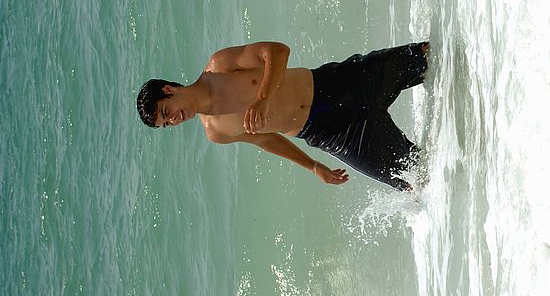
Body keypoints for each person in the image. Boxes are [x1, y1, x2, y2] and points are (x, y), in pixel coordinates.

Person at [136, 41, 429, 191]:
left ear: (169, 89)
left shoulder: (219, 66)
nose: (174, 120)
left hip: (334, 86)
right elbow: (266, 140)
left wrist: (262, 98)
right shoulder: (216, 132)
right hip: (329, 133)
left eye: (167, 112)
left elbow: (276, 51)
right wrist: (314, 167)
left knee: (427, 57)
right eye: (167, 124)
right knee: (414, 178)